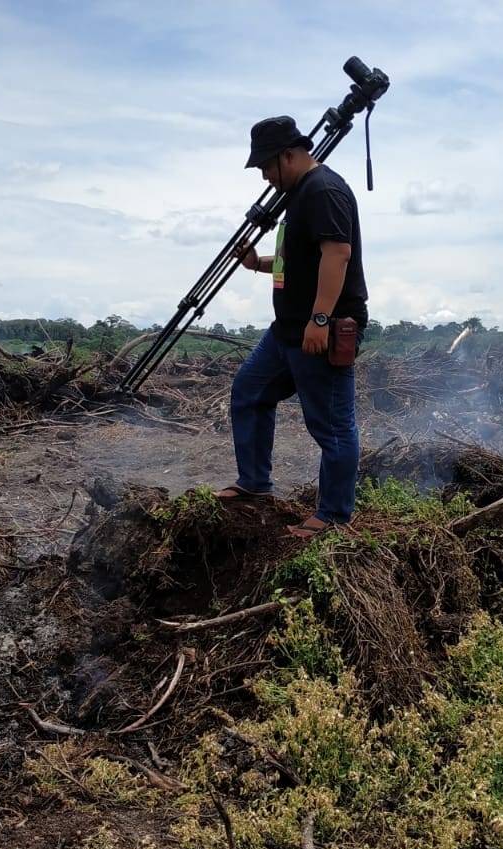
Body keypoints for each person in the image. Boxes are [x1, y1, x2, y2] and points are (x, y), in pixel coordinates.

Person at [215, 115, 369, 538]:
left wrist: (320, 319)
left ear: (288, 155)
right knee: (249, 391)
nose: (265, 175)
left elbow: (337, 255)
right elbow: (299, 261)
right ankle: (255, 482)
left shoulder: (324, 190)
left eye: (266, 166)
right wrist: (256, 263)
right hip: (288, 329)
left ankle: (334, 514)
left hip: (322, 328)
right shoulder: (299, 195)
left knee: (332, 425)